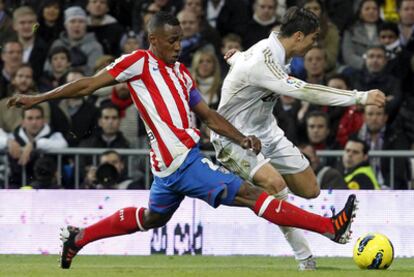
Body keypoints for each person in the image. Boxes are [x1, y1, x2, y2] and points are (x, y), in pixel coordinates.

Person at [7, 11, 357, 270]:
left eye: (179, 40)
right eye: (171, 41)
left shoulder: (181, 73)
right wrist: (37, 99)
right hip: (181, 161)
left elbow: (208, 115)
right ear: (153, 40)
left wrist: (242, 137)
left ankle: (78, 238)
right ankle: (329, 228)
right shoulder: (138, 63)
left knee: (152, 217)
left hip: (168, 167)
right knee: (254, 194)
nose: (178, 46)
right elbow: (87, 84)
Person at [210, 7, 385, 269]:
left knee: (309, 189)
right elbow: (305, 91)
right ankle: (307, 258)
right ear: (299, 36)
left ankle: (255, 194)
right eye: (314, 37)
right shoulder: (264, 60)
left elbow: (245, 62)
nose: (315, 43)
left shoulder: (273, 51)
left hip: (266, 131)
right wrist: (360, 97)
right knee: (276, 186)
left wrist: (235, 59)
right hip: (234, 136)